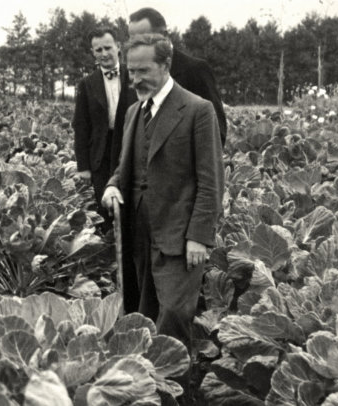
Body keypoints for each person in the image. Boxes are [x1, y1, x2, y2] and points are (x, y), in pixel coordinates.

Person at [101, 33, 224, 354]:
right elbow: (125, 167)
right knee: (144, 312)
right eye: (131, 72)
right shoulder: (133, 112)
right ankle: (149, 388)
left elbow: (211, 181)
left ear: (166, 65)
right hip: (138, 232)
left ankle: (175, 391)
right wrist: (113, 184)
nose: (135, 79)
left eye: (143, 71)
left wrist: (199, 235)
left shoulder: (198, 110)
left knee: (173, 316)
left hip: (180, 237)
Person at [128, 7, 228, 146]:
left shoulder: (195, 70)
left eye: (144, 40)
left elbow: (216, 131)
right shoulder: (132, 75)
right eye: (133, 41)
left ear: (164, 35)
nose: (137, 47)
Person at [73, 27, 137, 230]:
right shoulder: (87, 83)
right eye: (98, 50)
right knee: (105, 203)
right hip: (101, 152)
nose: (104, 54)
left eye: (107, 48)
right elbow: (81, 127)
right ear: (93, 53)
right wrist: (83, 167)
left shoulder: (135, 75)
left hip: (131, 145)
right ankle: (109, 250)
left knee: (132, 201)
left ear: (118, 47)